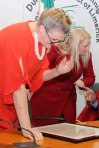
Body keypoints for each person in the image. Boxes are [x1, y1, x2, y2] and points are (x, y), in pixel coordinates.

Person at [0, 8, 73, 140]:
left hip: (11, 108)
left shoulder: (40, 40)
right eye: (54, 40)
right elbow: (18, 87)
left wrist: (58, 71)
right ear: (43, 29)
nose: (54, 45)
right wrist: (27, 128)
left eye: (59, 41)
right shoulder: (16, 38)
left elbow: (38, 75)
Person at [30, 28, 95, 126]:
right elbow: (40, 72)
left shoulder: (87, 56)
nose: (88, 49)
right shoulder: (57, 50)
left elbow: (91, 77)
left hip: (69, 100)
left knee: (69, 131)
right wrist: (57, 71)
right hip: (47, 98)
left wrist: (82, 81)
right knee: (44, 131)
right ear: (75, 45)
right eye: (85, 46)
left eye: (88, 45)